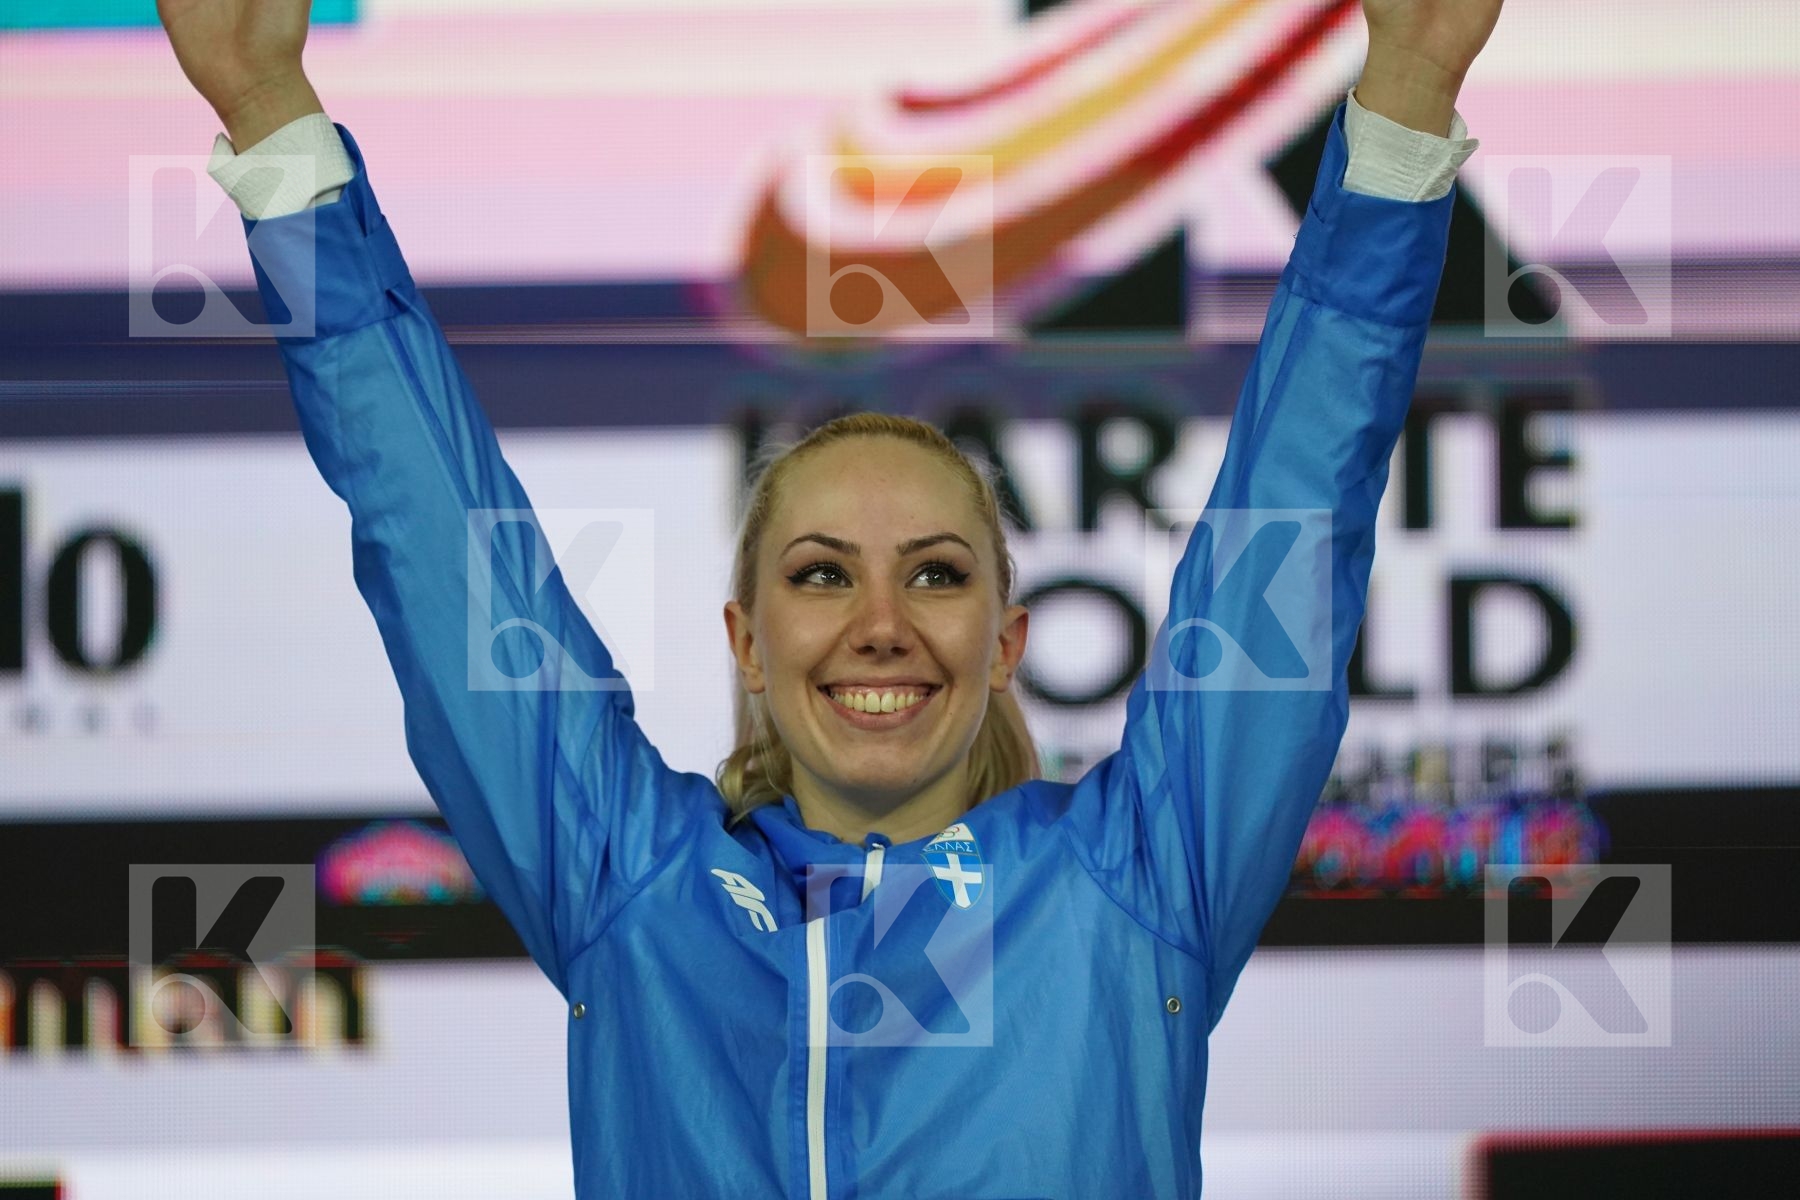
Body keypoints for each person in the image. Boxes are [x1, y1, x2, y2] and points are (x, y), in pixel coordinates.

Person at [155, 1, 1504, 1195]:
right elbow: (440, 545)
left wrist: (1401, 110)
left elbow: (1296, 508)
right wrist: (274, 128)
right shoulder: (637, 887)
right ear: (745, 641)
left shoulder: (1132, 884)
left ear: (1007, 643)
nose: (881, 624)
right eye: (819, 576)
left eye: (936, 573)